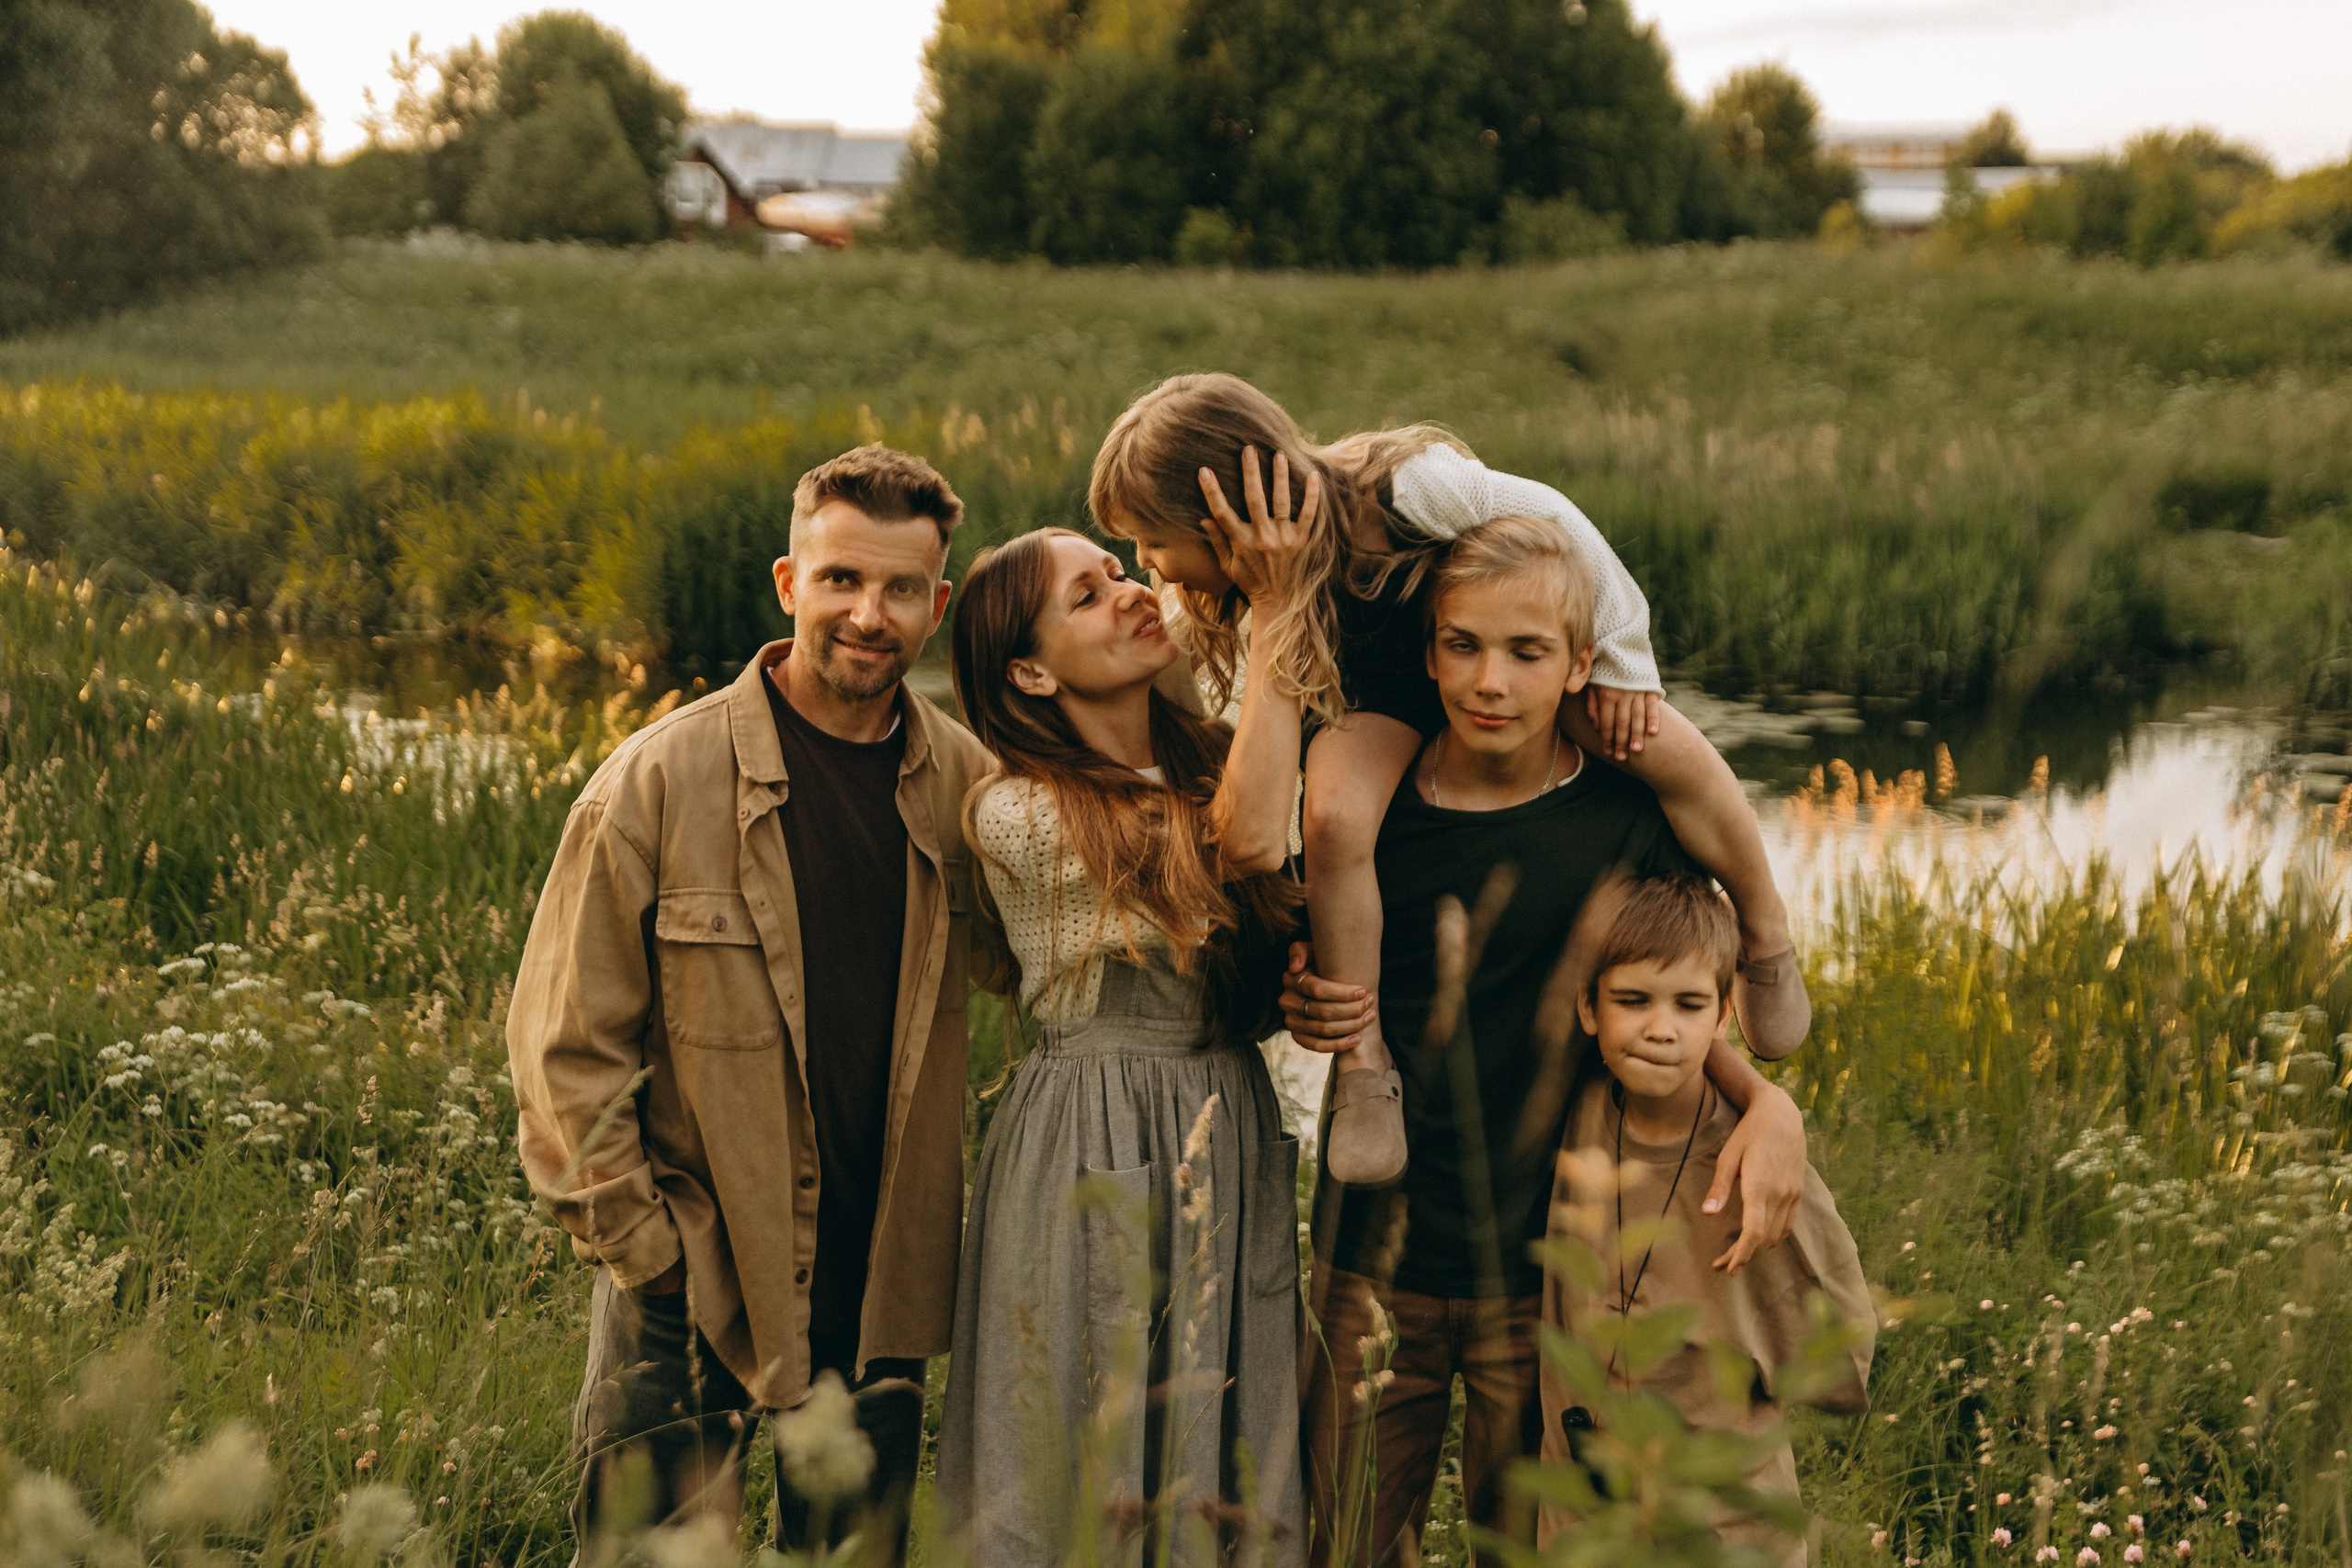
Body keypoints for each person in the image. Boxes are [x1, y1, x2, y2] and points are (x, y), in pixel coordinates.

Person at [1090, 373, 1810, 1188]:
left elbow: (1556, 518)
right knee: (1333, 817)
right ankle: (1365, 1067)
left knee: (1661, 746)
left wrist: (1620, 656)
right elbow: (1245, 771)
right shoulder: (1220, 595)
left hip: (1492, 654)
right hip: (1381, 698)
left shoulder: (1403, 490)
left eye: (1151, 539)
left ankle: (1764, 930)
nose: (1145, 563)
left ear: (1223, 512)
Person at [1278, 517, 1815, 1567]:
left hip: (1553, 1269)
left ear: (1581, 665)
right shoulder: (1373, 812)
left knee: (1530, 1544)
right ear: (1428, 651)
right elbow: (1309, 977)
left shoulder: (1623, 817)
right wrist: (1308, 1000)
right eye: (1463, 646)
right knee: (1344, 1537)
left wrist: (1767, 1102)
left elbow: (1667, 1008)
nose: (1490, 681)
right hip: (1371, 1252)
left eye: (1527, 653)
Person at [506, 446, 997, 1562]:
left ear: (939, 606)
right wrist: (649, 1249)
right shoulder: (658, 780)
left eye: (900, 591)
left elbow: (1056, 956)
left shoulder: (968, 786)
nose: (869, 615)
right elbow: (561, 1050)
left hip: (881, 1281)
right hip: (695, 1275)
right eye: (841, 581)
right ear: (788, 583)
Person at [934, 452, 1331, 1565]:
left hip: (1223, 1109)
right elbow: (1234, 849)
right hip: (1092, 1125)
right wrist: (1280, 610)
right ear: (1029, 677)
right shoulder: (1014, 813)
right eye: (1087, 594)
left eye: (1122, 570)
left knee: (1226, 1419)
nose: (1129, 593)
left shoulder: (1215, 758)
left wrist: (1299, 984)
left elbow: (1269, 912)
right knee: (1079, 1430)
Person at [1544, 873, 1875, 1566]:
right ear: (1588, 1007)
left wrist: (1747, 1347)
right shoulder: (1575, 1114)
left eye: (1688, 1004)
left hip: (1728, 1524)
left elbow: (1842, 1333)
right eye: (1632, 1000)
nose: (1660, 1027)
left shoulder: (1757, 1160)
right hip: (1586, 1514)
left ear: (1723, 1016)